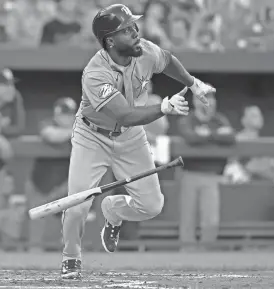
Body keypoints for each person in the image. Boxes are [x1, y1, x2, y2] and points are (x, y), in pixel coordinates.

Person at [60, 4, 215, 280]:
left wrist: (193, 83)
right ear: (110, 41)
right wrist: (163, 108)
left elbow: (167, 60)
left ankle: (113, 211)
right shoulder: (95, 73)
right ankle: (71, 258)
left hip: (130, 138)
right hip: (92, 137)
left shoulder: (144, 51)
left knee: (152, 206)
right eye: (126, 29)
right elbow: (125, 114)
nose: (135, 32)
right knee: (78, 204)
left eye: (134, 26)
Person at [177, 91, 235, 249]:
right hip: (190, 173)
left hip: (213, 175)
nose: (209, 102)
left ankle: (206, 257)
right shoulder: (187, 120)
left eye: (212, 98)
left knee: (210, 222)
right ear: (196, 101)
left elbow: (231, 137)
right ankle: (187, 257)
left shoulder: (219, 120)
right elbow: (190, 137)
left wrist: (208, 134)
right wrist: (215, 136)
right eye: (205, 98)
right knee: (188, 220)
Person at [26, 97, 77, 251]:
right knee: (37, 223)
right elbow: (51, 135)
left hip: (64, 185)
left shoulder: (81, 126)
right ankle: (33, 258)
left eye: (68, 114)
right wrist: (74, 131)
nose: (64, 117)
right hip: (40, 182)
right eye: (61, 114)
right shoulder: (47, 123)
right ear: (55, 114)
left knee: (63, 225)